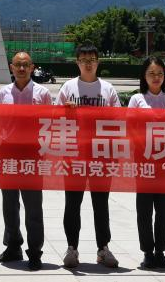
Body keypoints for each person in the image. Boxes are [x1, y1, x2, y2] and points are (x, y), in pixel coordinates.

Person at [55, 43, 121, 269]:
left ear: (98, 61)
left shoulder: (108, 89)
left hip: (101, 154)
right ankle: (71, 248)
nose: (88, 64)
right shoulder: (68, 87)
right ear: (77, 62)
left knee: (101, 204)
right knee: (72, 203)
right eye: (83, 60)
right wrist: (66, 111)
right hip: (74, 154)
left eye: (92, 59)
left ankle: (103, 248)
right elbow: (55, 117)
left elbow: (118, 119)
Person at [0, 51, 52, 270]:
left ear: (32, 67)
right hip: (7, 150)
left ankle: (35, 251)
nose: (21, 68)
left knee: (33, 205)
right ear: (11, 67)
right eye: (17, 65)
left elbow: (49, 122)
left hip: (32, 152)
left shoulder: (43, 93)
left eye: (25, 65)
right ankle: (13, 246)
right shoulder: (3, 92)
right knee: (9, 203)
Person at [127, 56, 165, 270]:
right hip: (144, 160)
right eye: (151, 73)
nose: (156, 77)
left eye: (159, 73)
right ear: (144, 76)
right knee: (145, 209)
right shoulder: (137, 99)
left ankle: (161, 252)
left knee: (164, 209)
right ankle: (148, 252)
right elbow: (130, 128)